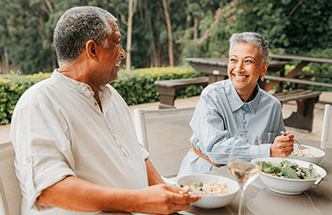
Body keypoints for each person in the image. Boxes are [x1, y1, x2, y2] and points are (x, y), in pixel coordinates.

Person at [11, 6, 200, 215]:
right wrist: (140, 202)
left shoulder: (110, 94)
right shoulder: (39, 103)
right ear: (92, 50)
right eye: (116, 42)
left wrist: (169, 198)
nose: (123, 53)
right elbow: (50, 189)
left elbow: (136, 154)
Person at [176, 32, 295, 179]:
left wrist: (283, 146)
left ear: (263, 69)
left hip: (251, 178)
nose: (238, 68)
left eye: (248, 61)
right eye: (233, 60)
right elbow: (215, 150)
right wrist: (266, 151)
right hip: (205, 174)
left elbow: (277, 152)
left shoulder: (273, 106)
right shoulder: (211, 96)